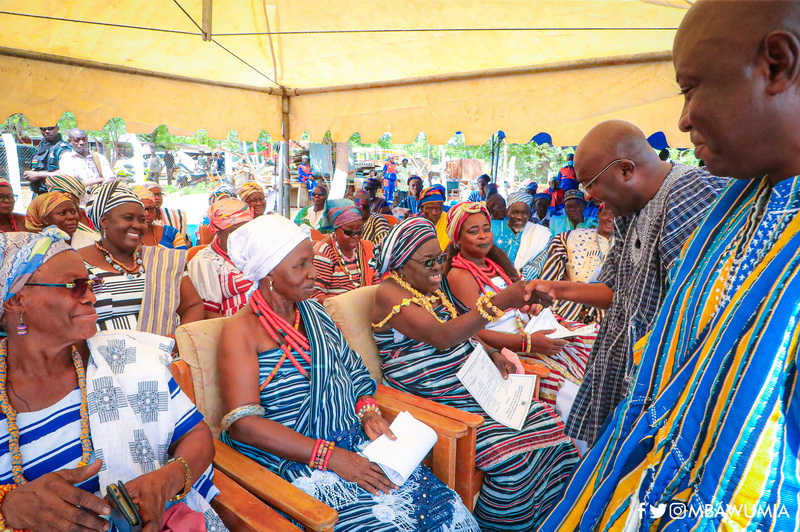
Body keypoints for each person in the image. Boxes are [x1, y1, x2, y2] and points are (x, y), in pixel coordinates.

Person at [540, 2, 800, 529]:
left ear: (776, 63)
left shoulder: (690, 198)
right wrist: (551, 288)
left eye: (690, 87)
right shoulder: (736, 206)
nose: (682, 119)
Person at [218, 214, 479, 532]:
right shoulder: (240, 331)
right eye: (301, 265)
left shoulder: (313, 312)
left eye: (312, 261)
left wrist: (368, 412)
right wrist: (331, 458)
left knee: (448, 511)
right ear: (268, 272)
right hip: (298, 464)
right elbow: (244, 425)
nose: (313, 273)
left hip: (354, 444)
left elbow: (353, 370)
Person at [0, 229, 224, 531]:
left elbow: (195, 436)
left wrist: (167, 479)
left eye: (91, 283)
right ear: (15, 301)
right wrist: (7, 508)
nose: (92, 296)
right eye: (74, 286)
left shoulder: (125, 356)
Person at [371, 217, 579, 530]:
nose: (438, 267)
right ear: (401, 264)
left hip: (473, 381)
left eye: (440, 258)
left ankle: (547, 520)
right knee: (512, 460)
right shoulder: (389, 292)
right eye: (429, 261)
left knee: (552, 431)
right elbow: (442, 336)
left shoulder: (431, 287)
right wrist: (500, 302)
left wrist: (493, 353)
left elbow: (462, 327)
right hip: (436, 395)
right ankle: (503, 525)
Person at [533, 120, 727, 450]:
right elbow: (616, 291)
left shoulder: (687, 197)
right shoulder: (630, 208)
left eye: (590, 185)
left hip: (664, 388)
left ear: (625, 170)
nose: (590, 198)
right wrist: (557, 288)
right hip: (629, 369)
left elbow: (694, 317)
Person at [444, 202, 592, 411]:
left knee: (590, 350)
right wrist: (528, 343)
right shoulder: (460, 276)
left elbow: (517, 305)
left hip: (530, 334)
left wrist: (533, 311)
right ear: (457, 239)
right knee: (575, 394)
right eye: (473, 231)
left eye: (486, 229)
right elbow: (474, 332)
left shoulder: (496, 262)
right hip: (511, 349)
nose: (483, 236)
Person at [78, 182, 203, 334]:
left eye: (141, 219)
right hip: (98, 355)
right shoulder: (77, 263)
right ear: (104, 222)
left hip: (163, 354)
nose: (138, 225)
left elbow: (192, 305)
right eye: (128, 218)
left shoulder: (163, 260)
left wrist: (176, 341)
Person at [539, 204, 615, 324]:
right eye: (606, 214)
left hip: (606, 304)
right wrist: (572, 286)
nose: (610, 219)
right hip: (569, 298)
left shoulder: (626, 244)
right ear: (598, 214)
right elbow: (553, 269)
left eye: (616, 217)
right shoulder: (570, 236)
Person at [188, 198, 254, 318]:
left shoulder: (258, 250)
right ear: (218, 232)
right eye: (234, 232)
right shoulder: (204, 262)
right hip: (231, 327)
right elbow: (205, 313)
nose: (242, 237)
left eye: (247, 231)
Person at [312, 200, 380, 301]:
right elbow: (315, 296)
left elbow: (376, 283)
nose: (355, 236)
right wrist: (346, 306)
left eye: (360, 231)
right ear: (336, 229)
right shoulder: (324, 252)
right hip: (334, 312)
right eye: (349, 232)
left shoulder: (366, 248)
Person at [491, 192, 553, 280]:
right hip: (490, 278)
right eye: (514, 212)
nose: (519, 217)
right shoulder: (492, 228)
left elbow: (536, 265)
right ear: (506, 212)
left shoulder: (540, 234)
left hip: (521, 282)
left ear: (530, 215)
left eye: (524, 213)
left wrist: (518, 278)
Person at [24, 125, 71, 194]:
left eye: (50, 128)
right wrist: (30, 173)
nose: (47, 131)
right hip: (39, 191)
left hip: (57, 193)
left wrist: (38, 175)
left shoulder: (63, 148)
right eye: (43, 128)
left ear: (57, 129)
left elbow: (67, 172)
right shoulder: (40, 147)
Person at [143, 181, 191, 245]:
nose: (157, 198)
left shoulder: (176, 216)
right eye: (153, 195)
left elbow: (187, 240)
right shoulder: (139, 220)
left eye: (159, 194)